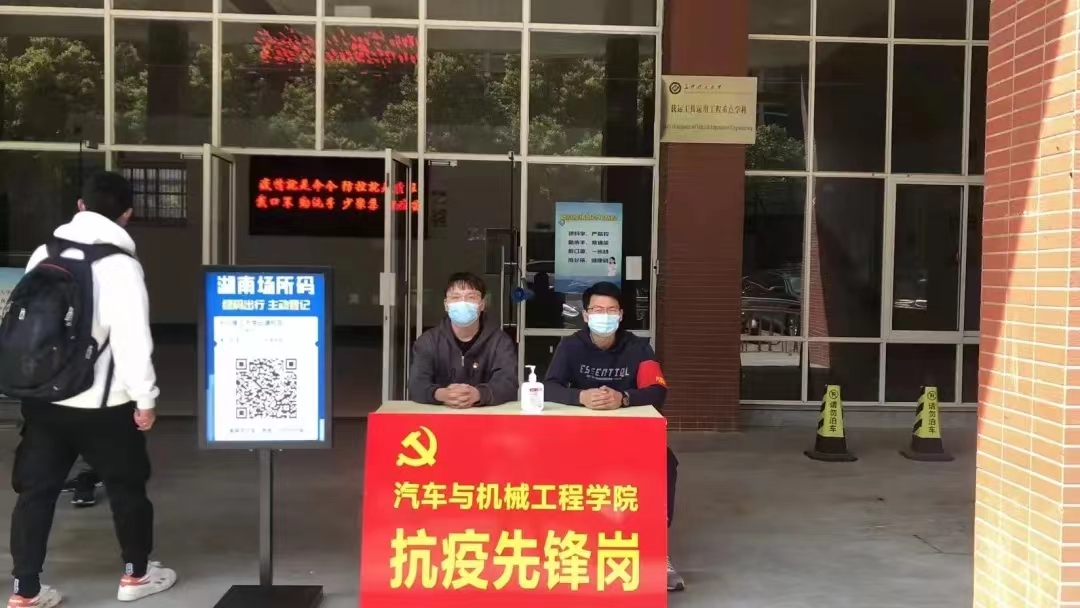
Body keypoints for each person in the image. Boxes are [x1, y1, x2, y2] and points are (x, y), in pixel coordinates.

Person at [5, 172, 176, 607]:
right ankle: (136, 575)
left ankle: (25, 590)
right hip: (105, 404)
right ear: (127, 214)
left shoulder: (44, 253)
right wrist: (145, 399)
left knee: (35, 493)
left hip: (44, 398)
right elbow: (132, 340)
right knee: (126, 488)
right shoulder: (120, 265)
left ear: (80, 206)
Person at [543, 281, 685, 592]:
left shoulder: (638, 348)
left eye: (610, 310)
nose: (603, 316)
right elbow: (549, 387)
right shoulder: (571, 346)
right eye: (597, 310)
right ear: (585, 315)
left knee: (665, 464)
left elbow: (657, 390)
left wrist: (624, 398)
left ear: (621, 315)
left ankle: (657, 550)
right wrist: (581, 397)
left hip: (629, 436)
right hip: (581, 435)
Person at [408, 272, 518, 407]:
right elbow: (416, 384)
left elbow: (509, 383)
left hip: (486, 415)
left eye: (471, 297)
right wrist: (441, 394)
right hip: (439, 416)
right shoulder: (428, 341)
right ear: (446, 305)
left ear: (482, 304)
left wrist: (479, 394)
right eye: (456, 297)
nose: (463, 303)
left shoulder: (500, 341)